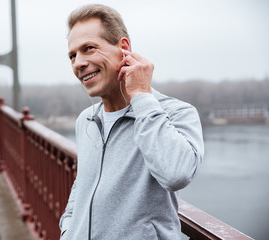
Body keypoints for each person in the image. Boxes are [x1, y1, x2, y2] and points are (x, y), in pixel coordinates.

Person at [59, 4, 204, 240]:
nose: (78, 63)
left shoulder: (176, 113)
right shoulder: (85, 120)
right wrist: (68, 228)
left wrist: (141, 96)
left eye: (89, 49)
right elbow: (83, 185)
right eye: (73, 55)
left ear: (123, 48)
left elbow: (176, 174)